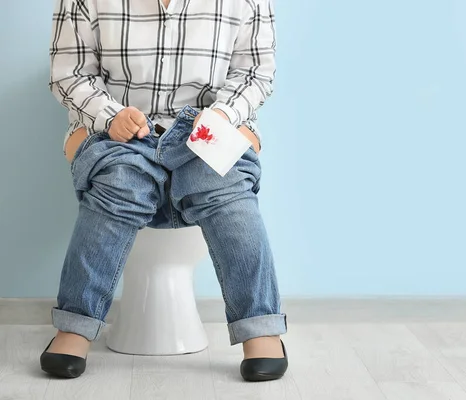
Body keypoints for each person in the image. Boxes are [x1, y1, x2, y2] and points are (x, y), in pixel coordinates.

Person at [40, 0, 287, 382]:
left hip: (206, 126)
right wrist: (110, 115)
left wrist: (222, 115)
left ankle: (260, 326)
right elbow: (69, 73)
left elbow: (254, 73)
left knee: (225, 193)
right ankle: (74, 324)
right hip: (122, 129)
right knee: (120, 188)